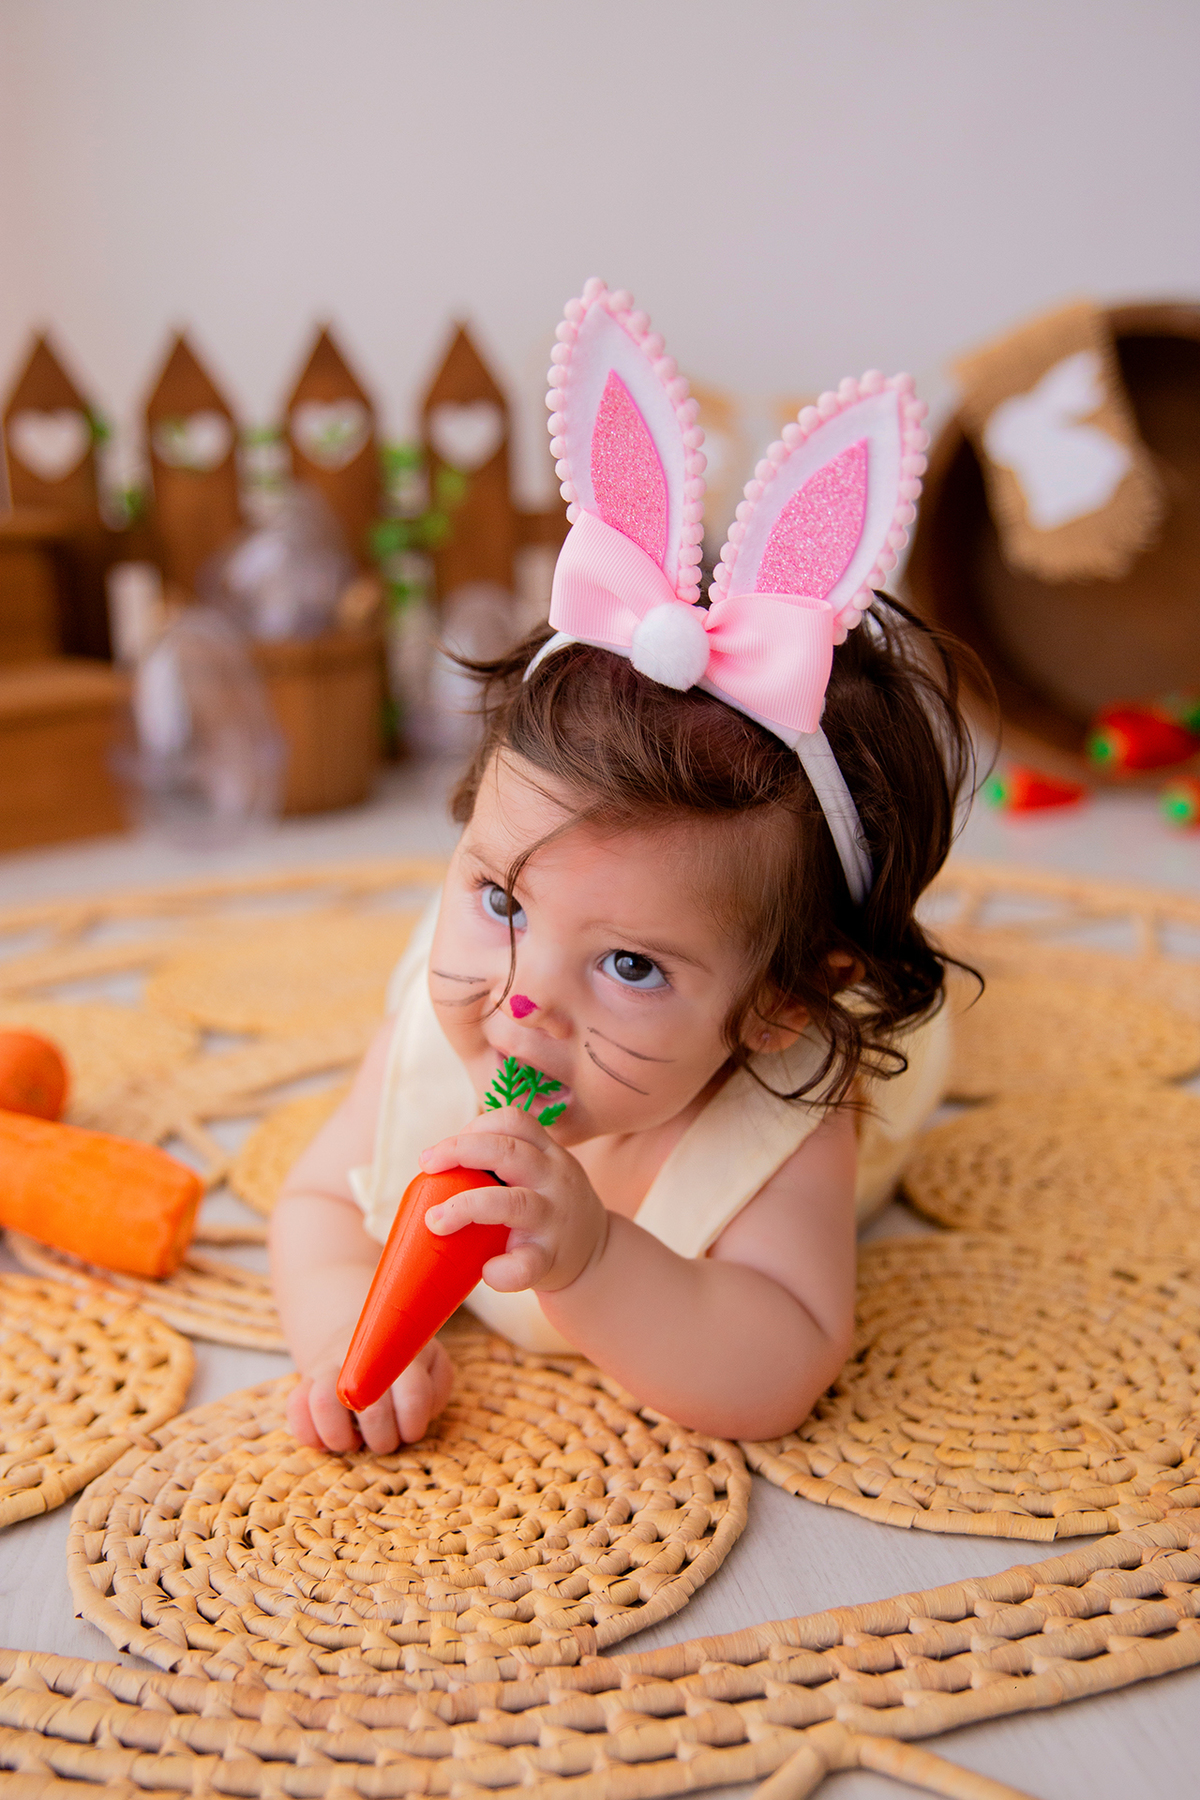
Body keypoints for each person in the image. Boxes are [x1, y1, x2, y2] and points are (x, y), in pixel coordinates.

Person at [270, 280, 975, 1458]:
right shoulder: (448, 1027)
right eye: (500, 899)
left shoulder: (789, 1095)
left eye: (632, 966)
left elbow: (780, 1364)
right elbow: (315, 1207)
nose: (523, 1001)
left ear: (776, 1000)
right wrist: (349, 1326)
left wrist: (595, 1259)